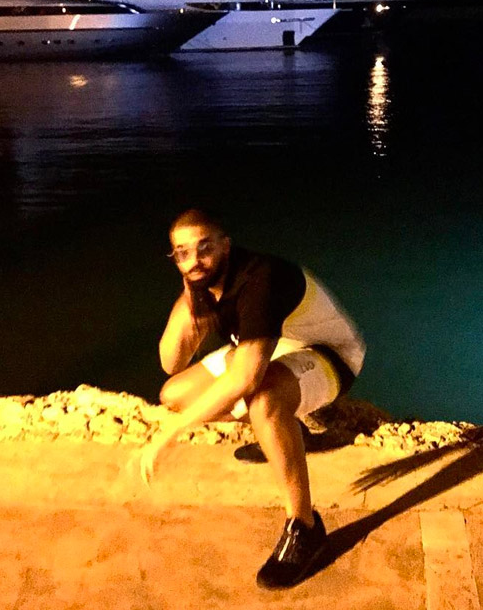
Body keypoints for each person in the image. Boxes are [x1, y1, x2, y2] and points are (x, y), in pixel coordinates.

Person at [140, 208, 366, 589]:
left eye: (204, 248)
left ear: (225, 246)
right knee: (175, 395)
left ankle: (305, 526)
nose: (195, 261)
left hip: (331, 354)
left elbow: (245, 378)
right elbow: (171, 362)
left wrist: (168, 435)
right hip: (272, 347)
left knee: (263, 399)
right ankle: (287, 433)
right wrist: (189, 297)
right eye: (182, 253)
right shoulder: (203, 284)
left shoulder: (259, 279)